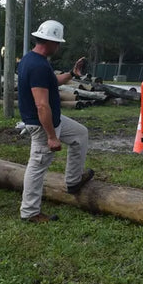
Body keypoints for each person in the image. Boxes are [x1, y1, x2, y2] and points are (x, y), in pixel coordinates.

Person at [17, 20, 94, 223]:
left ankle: (73, 182)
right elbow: (42, 105)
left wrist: (71, 74)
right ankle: (30, 212)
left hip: (53, 120)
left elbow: (52, 82)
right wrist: (51, 136)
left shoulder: (32, 60)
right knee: (37, 165)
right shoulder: (38, 66)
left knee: (80, 134)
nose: (59, 47)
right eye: (57, 43)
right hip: (43, 124)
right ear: (50, 42)